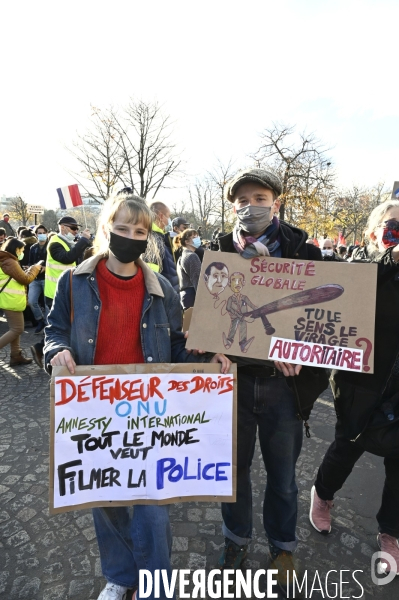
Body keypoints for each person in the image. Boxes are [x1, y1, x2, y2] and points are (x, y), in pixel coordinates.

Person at [43, 191, 230, 600]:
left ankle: (155, 584)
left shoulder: (160, 286)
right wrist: (57, 351)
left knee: (152, 509)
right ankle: (121, 575)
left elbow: (178, 346)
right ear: (105, 229)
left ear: (149, 237)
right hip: (96, 413)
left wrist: (205, 361)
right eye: (122, 227)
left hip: (151, 416)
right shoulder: (73, 282)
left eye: (140, 230)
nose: (131, 235)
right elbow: (54, 330)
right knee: (105, 503)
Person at [216, 168, 327, 595]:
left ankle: (282, 546)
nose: (251, 206)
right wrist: (210, 348)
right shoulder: (218, 251)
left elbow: (325, 322)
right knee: (234, 472)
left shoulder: (305, 250)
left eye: (259, 197)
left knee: (282, 476)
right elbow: (200, 316)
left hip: (284, 390)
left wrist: (302, 358)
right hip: (234, 386)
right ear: (233, 206)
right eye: (242, 200)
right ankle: (236, 541)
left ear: (275, 202)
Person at [309, 200, 399, 577]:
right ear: (373, 234)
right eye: (392, 227)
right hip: (361, 382)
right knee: (346, 445)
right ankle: (323, 495)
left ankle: (391, 530)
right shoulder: (364, 270)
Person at [30, 216, 92, 368]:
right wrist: (83, 241)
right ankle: (42, 349)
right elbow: (67, 258)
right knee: (58, 326)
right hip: (55, 294)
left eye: (77, 229)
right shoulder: (56, 243)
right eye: (73, 228)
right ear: (63, 227)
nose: (76, 231)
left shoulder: (67, 242)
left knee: (68, 324)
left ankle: (47, 349)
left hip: (66, 290)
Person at [0, 237, 42, 365]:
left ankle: (16, 356)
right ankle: (16, 355)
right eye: (21, 250)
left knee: (15, 328)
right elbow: (25, 279)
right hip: (11, 300)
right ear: (16, 249)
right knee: (17, 329)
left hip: (12, 300)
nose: (22, 252)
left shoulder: (7, 260)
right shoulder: (9, 261)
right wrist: (35, 268)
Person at [148, 201, 179, 293]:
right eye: (168, 216)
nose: (169, 220)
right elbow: (152, 277)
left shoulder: (160, 238)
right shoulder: (153, 241)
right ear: (161, 216)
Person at [223, 271, 257, 353]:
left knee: (243, 327)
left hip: (244, 317)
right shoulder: (231, 298)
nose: (237, 283)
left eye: (240, 280)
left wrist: (258, 310)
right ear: (229, 284)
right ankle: (229, 340)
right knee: (234, 325)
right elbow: (228, 307)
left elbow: (252, 305)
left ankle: (243, 343)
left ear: (244, 283)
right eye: (234, 280)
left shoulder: (244, 297)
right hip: (235, 317)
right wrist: (237, 314)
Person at [28, 224, 49, 334]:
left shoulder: (50, 246)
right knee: (31, 301)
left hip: (47, 278)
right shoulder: (33, 248)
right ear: (36, 235)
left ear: (47, 233)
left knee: (47, 303)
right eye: (39, 233)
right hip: (35, 278)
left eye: (43, 233)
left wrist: (46, 267)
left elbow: (54, 263)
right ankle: (40, 319)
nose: (41, 235)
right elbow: (30, 262)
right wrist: (31, 268)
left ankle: (46, 324)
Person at [176, 229, 202, 309]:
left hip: (185, 297)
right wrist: (204, 299)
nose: (197, 239)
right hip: (193, 297)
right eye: (194, 237)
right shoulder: (192, 256)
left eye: (197, 237)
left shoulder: (182, 257)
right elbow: (198, 280)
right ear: (187, 242)